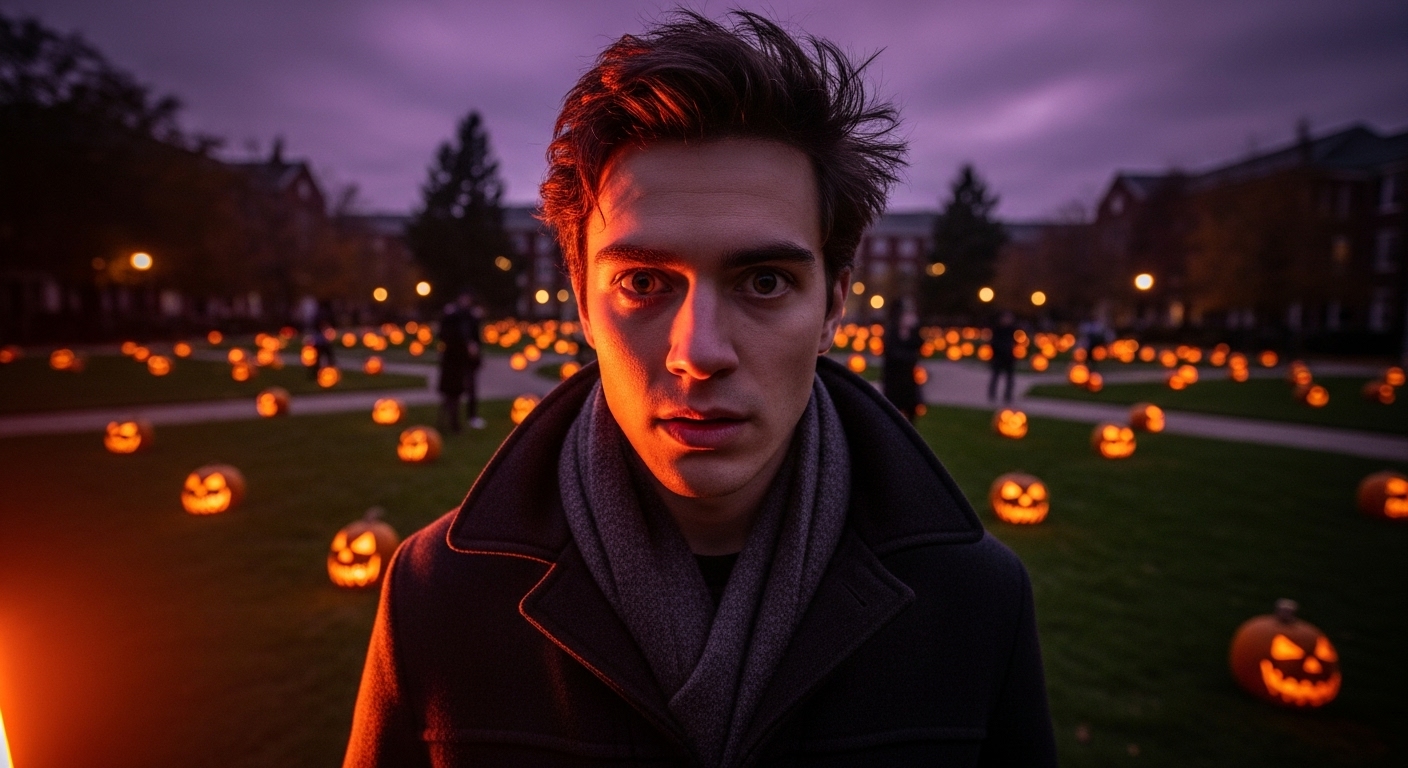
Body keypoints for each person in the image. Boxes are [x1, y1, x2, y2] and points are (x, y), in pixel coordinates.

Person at [346, 11, 1055, 767]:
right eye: (643, 283)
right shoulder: (440, 594)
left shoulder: (975, 603)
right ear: (583, 305)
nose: (700, 353)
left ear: (833, 306)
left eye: (765, 281)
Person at [881, 299, 924, 421]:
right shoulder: (892, 331)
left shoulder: (913, 333)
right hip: (894, 381)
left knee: (910, 412)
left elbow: (918, 347)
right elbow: (892, 354)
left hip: (909, 382)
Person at [435, 301, 471, 434]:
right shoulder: (458, 335)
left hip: (450, 368)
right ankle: (453, 423)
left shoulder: (447, 335)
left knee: (449, 397)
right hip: (454, 369)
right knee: (453, 398)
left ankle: (445, 422)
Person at [458, 294, 486, 430]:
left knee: (471, 389)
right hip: (459, 359)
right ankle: (454, 418)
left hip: (471, 361)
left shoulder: (473, 317)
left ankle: (472, 416)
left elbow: (477, 337)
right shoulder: (457, 316)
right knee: (456, 390)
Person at [989, 311, 1018, 404]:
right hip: (998, 357)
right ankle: (992, 394)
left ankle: (1008, 395)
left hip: (1009, 357)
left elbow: (1016, 343)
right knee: (995, 377)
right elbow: (993, 343)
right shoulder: (997, 329)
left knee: (1010, 379)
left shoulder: (1012, 330)